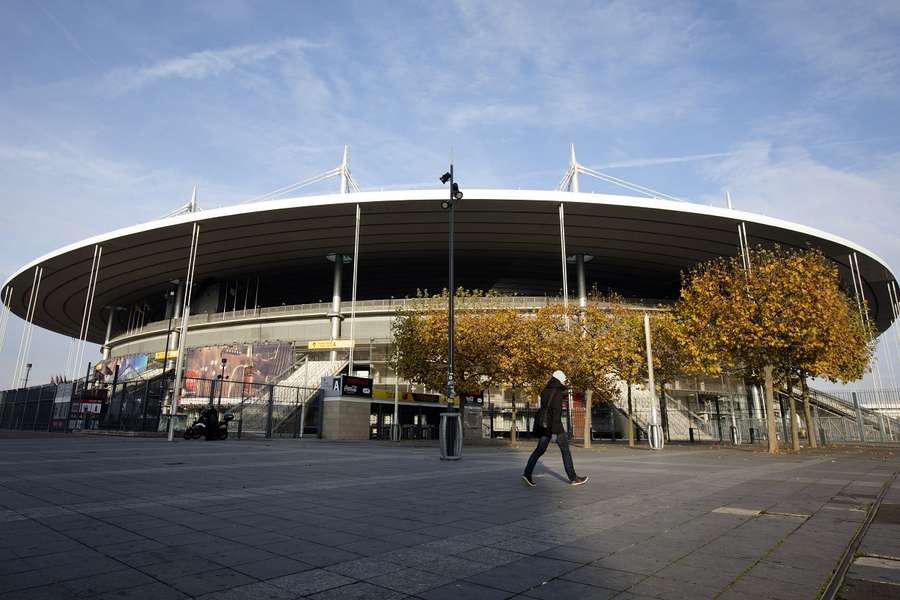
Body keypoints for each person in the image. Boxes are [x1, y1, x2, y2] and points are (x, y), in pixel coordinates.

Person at [522, 370, 588, 487]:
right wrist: (555, 432)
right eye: (563, 380)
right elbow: (556, 413)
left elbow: (544, 409)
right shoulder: (557, 392)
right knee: (565, 451)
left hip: (544, 425)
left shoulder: (545, 390)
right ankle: (573, 478)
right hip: (555, 427)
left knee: (539, 450)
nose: (564, 383)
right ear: (560, 380)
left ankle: (527, 473)